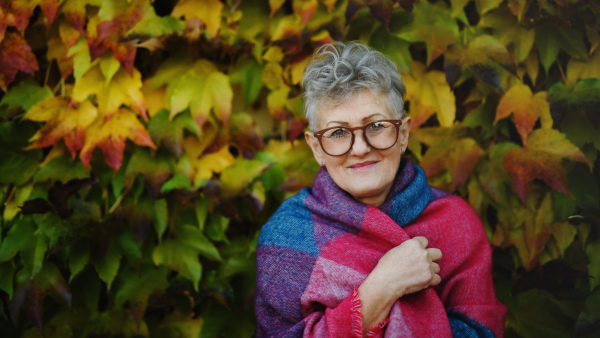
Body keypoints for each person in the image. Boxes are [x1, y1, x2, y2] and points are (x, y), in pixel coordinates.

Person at [254, 41, 506, 337]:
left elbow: (482, 331)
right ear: (316, 148)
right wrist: (382, 288)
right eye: (337, 132)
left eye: (375, 126)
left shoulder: (456, 223)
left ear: (403, 134)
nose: (360, 148)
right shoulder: (286, 236)